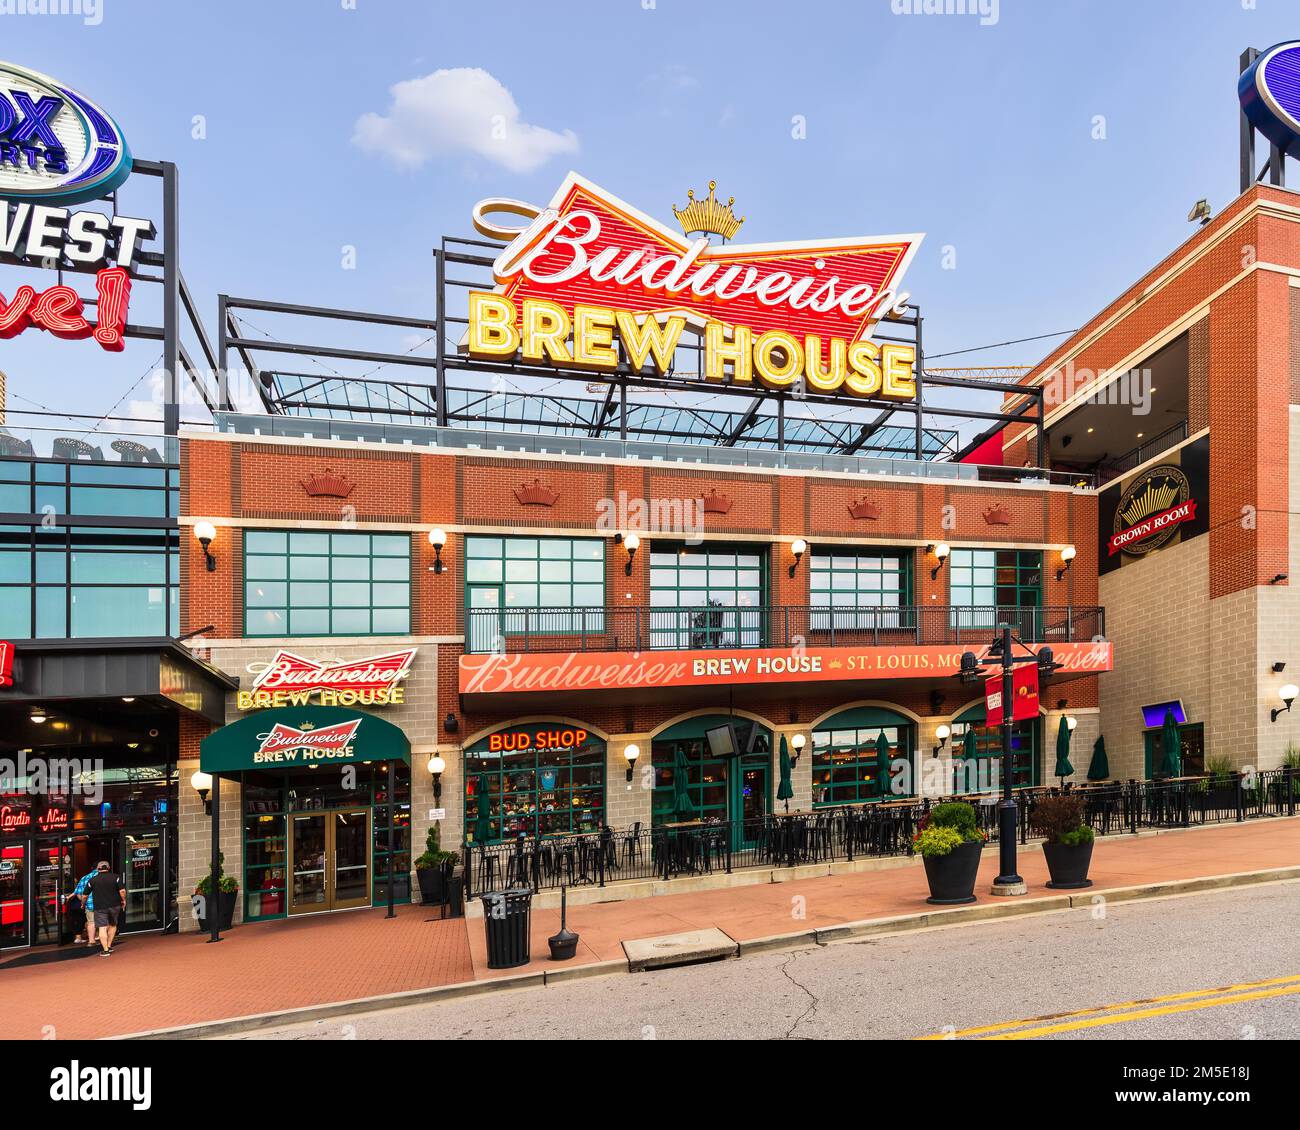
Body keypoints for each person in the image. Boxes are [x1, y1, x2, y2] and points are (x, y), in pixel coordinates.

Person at [87, 861, 125, 957]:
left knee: (102, 927)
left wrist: (83, 903)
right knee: (113, 925)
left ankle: (105, 950)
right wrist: (124, 900)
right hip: (114, 905)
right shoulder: (116, 877)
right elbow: (122, 891)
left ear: (98, 869)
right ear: (108, 868)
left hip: (99, 907)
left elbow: (84, 895)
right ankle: (109, 945)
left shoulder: (93, 880)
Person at [73, 866, 99, 948]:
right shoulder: (106, 876)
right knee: (105, 923)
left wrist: (84, 903)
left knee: (91, 922)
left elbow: (78, 893)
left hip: (90, 905)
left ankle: (91, 941)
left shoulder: (85, 878)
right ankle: (106, 943)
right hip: (104, 904)